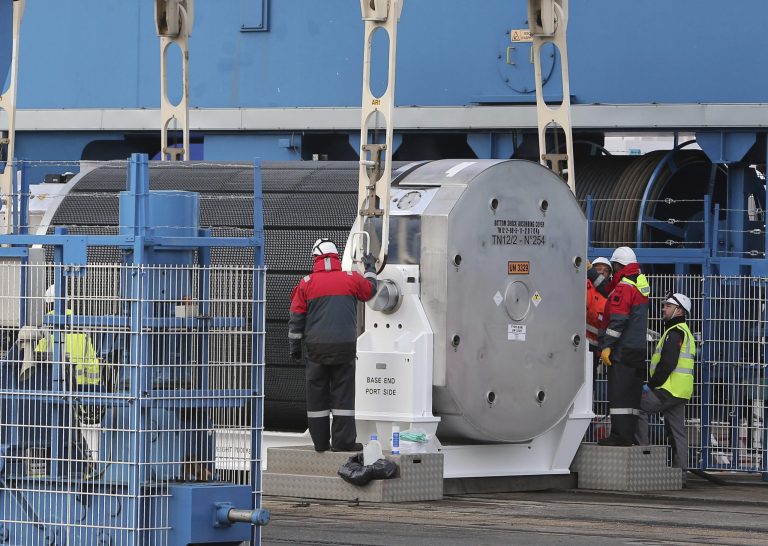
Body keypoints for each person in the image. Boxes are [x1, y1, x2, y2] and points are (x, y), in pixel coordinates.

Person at [289, 238, 377, 452]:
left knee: (317, 397)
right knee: (343, 396)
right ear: (336, 257)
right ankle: (343, 443)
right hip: (344, 349)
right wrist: (370, 268)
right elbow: (370, 291)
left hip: (316, 351)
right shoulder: (351, 279)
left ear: (316, 259)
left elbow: (296, 318)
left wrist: (295, 348)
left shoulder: (306, 283)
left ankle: (320, 443)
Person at [635, 292, 695, 470]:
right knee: (678, 432)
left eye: (668, 306)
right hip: (680, 391)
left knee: (637, 407)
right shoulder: (684, 332)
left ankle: (642, 456)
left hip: (667, 389)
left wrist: (650, 385)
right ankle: (680, 472)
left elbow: (668, 363)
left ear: (679, 311)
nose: (664, 308)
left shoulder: (675, 332)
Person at [598, 246, 650, 446]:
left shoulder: (623, 288)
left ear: (618, 265)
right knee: (631, 397)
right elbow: (608, 288)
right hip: (637, 351)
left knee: (619, 395)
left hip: (623, 350)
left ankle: (619, 437)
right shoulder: (639, 283)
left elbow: (618, 320)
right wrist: (591, 272)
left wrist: (607, 345)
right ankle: (627, 436)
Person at [33, 284, 101, 387]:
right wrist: (90, 387)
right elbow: (92, 362)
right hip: (78, 391)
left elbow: (36, 360)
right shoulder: (81, 327)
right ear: (67, 303)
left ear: (47, 305)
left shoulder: (44, 329)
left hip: (51, 389)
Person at [586, 257, 612, 352]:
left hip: (599, 344)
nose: (602, 272)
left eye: (605, 270)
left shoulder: (610, 293)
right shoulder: (585, 286)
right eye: (598, 269)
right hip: (581, 340)